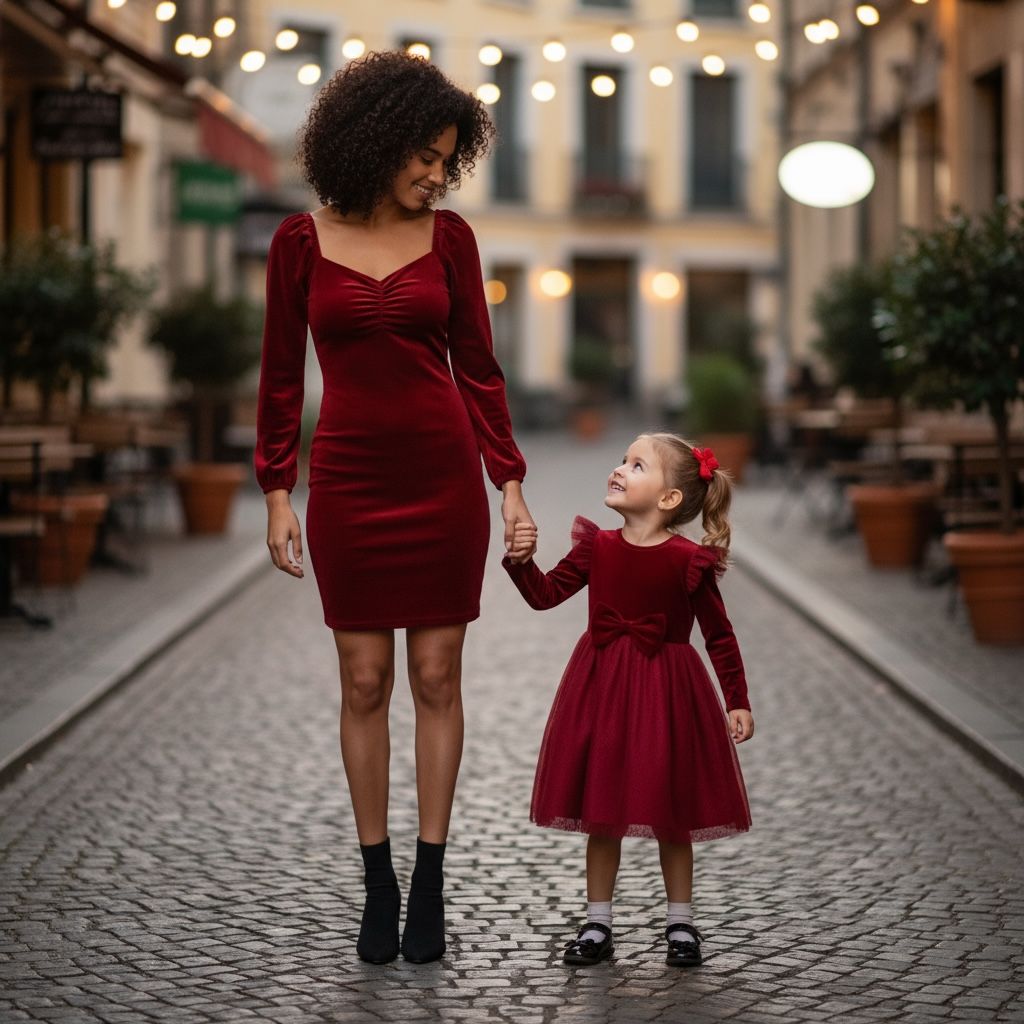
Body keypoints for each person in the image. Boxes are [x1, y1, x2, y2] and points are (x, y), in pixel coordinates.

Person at [254, 51, 536, 966]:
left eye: (447, 160)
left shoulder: (451, 241)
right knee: (365, 680)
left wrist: (510, 483)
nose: (435, 175)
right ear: (373, 142)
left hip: (441, 475)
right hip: (349, 480)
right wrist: (275, 490)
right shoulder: (298, 242)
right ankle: (377, 880)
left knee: (438, 678)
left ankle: (431, 880)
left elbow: (479, 370)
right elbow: (279, 376)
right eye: (424, 155)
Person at [503, 433, 754, 967]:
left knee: (673, 808)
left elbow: (719, 634)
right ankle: (598, 922)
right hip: (602, 690)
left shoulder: (689, 561)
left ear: (668, 500)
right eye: (622, 460)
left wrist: (737, 699)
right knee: (602, 810)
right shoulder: (598, 547)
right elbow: (545, 595)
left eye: (636, 465)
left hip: (668, 693)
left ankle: (681, 924)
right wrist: (522, 562)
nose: (619, 469)